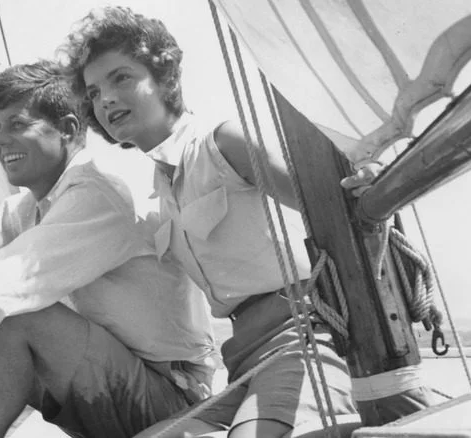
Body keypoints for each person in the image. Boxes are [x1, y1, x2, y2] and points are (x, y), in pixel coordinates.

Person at [60, 7, 370, 438]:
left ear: (165, 77)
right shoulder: (159, 189)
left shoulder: (224, 143)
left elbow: (333, 204)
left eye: (121, 78)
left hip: (301, 344)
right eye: (94, 92)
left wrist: (366, 185)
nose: (106, 99)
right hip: (242, 362)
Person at [0, 59, 218, 438]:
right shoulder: (27, 208)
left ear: (66, 129)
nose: (1, 140)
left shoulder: (98, 195)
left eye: (18, 124)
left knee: (14, 315)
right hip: (108, 386)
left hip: (171, 398)